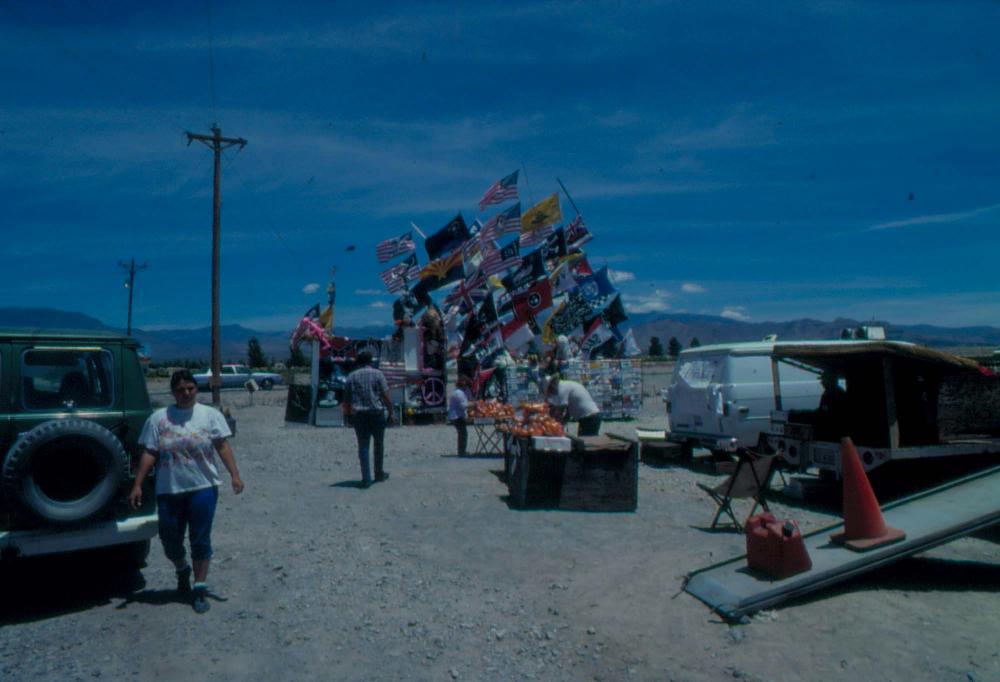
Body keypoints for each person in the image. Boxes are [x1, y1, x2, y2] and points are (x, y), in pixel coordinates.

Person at [128, 369, 245, 614]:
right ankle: (182, 569)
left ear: (196, 389)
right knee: (170, 540)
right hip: (169, 489)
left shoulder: (210, 415)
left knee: (200, 539)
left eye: (190, 388)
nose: (186, 393)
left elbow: (222, 445)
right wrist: (138, 483)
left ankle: (199, 587)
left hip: (203, 487)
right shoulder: (159, 418)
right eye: (180, 389)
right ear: (173, 392)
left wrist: (235, 475)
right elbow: (150, 452)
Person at [342, 350, 395, 488]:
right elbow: (386, 395)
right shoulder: (378, 374)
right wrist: (391, 412)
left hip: (359, 415)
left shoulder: (351, 377)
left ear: (358, 362)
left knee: (363, 446)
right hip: (377, 413)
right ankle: (379, 473)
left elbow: (346, 400)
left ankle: (366, 478)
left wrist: (347, 415)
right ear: (371, 361)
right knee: (379, 444)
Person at [449, 375, 471, 457]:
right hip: (457, 416)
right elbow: (463, 405)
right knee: (463, 433)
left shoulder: (462, 392)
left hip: (460, 415)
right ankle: (461, 451)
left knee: (463, 433)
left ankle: (462, 450)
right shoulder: (458, 393)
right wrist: (474, 404)